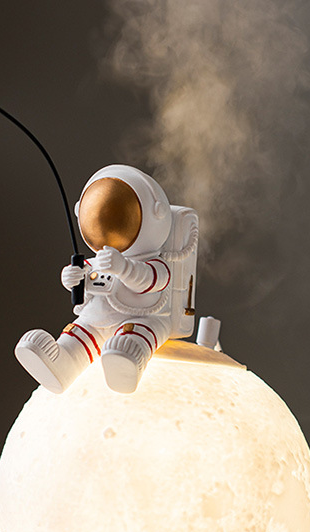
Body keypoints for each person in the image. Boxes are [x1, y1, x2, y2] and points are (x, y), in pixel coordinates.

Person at [15, 165, 198, 394]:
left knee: (135, 336)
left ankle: (126, 360)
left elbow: (150, 281)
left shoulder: (156, 264)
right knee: (78, 333)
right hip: (94, 319)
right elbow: (84, 277)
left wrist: (124, 268)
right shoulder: (96, 261)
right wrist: (71, 277)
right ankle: (62, 364)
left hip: (142, 318)